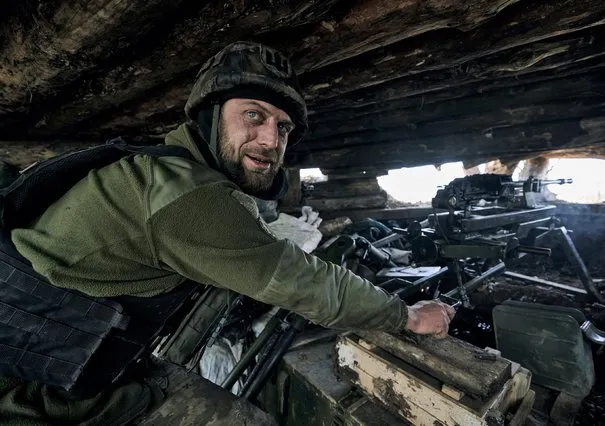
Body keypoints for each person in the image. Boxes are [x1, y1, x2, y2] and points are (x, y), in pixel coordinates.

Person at [0, 41, 455, 425]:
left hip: (66, 355)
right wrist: (407, 316)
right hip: (41, 391)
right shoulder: (189, 195)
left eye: (282, 127)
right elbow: (297, 279)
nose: (271, 140)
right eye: (253, 116)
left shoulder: (158, 167)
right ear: (211, 117)